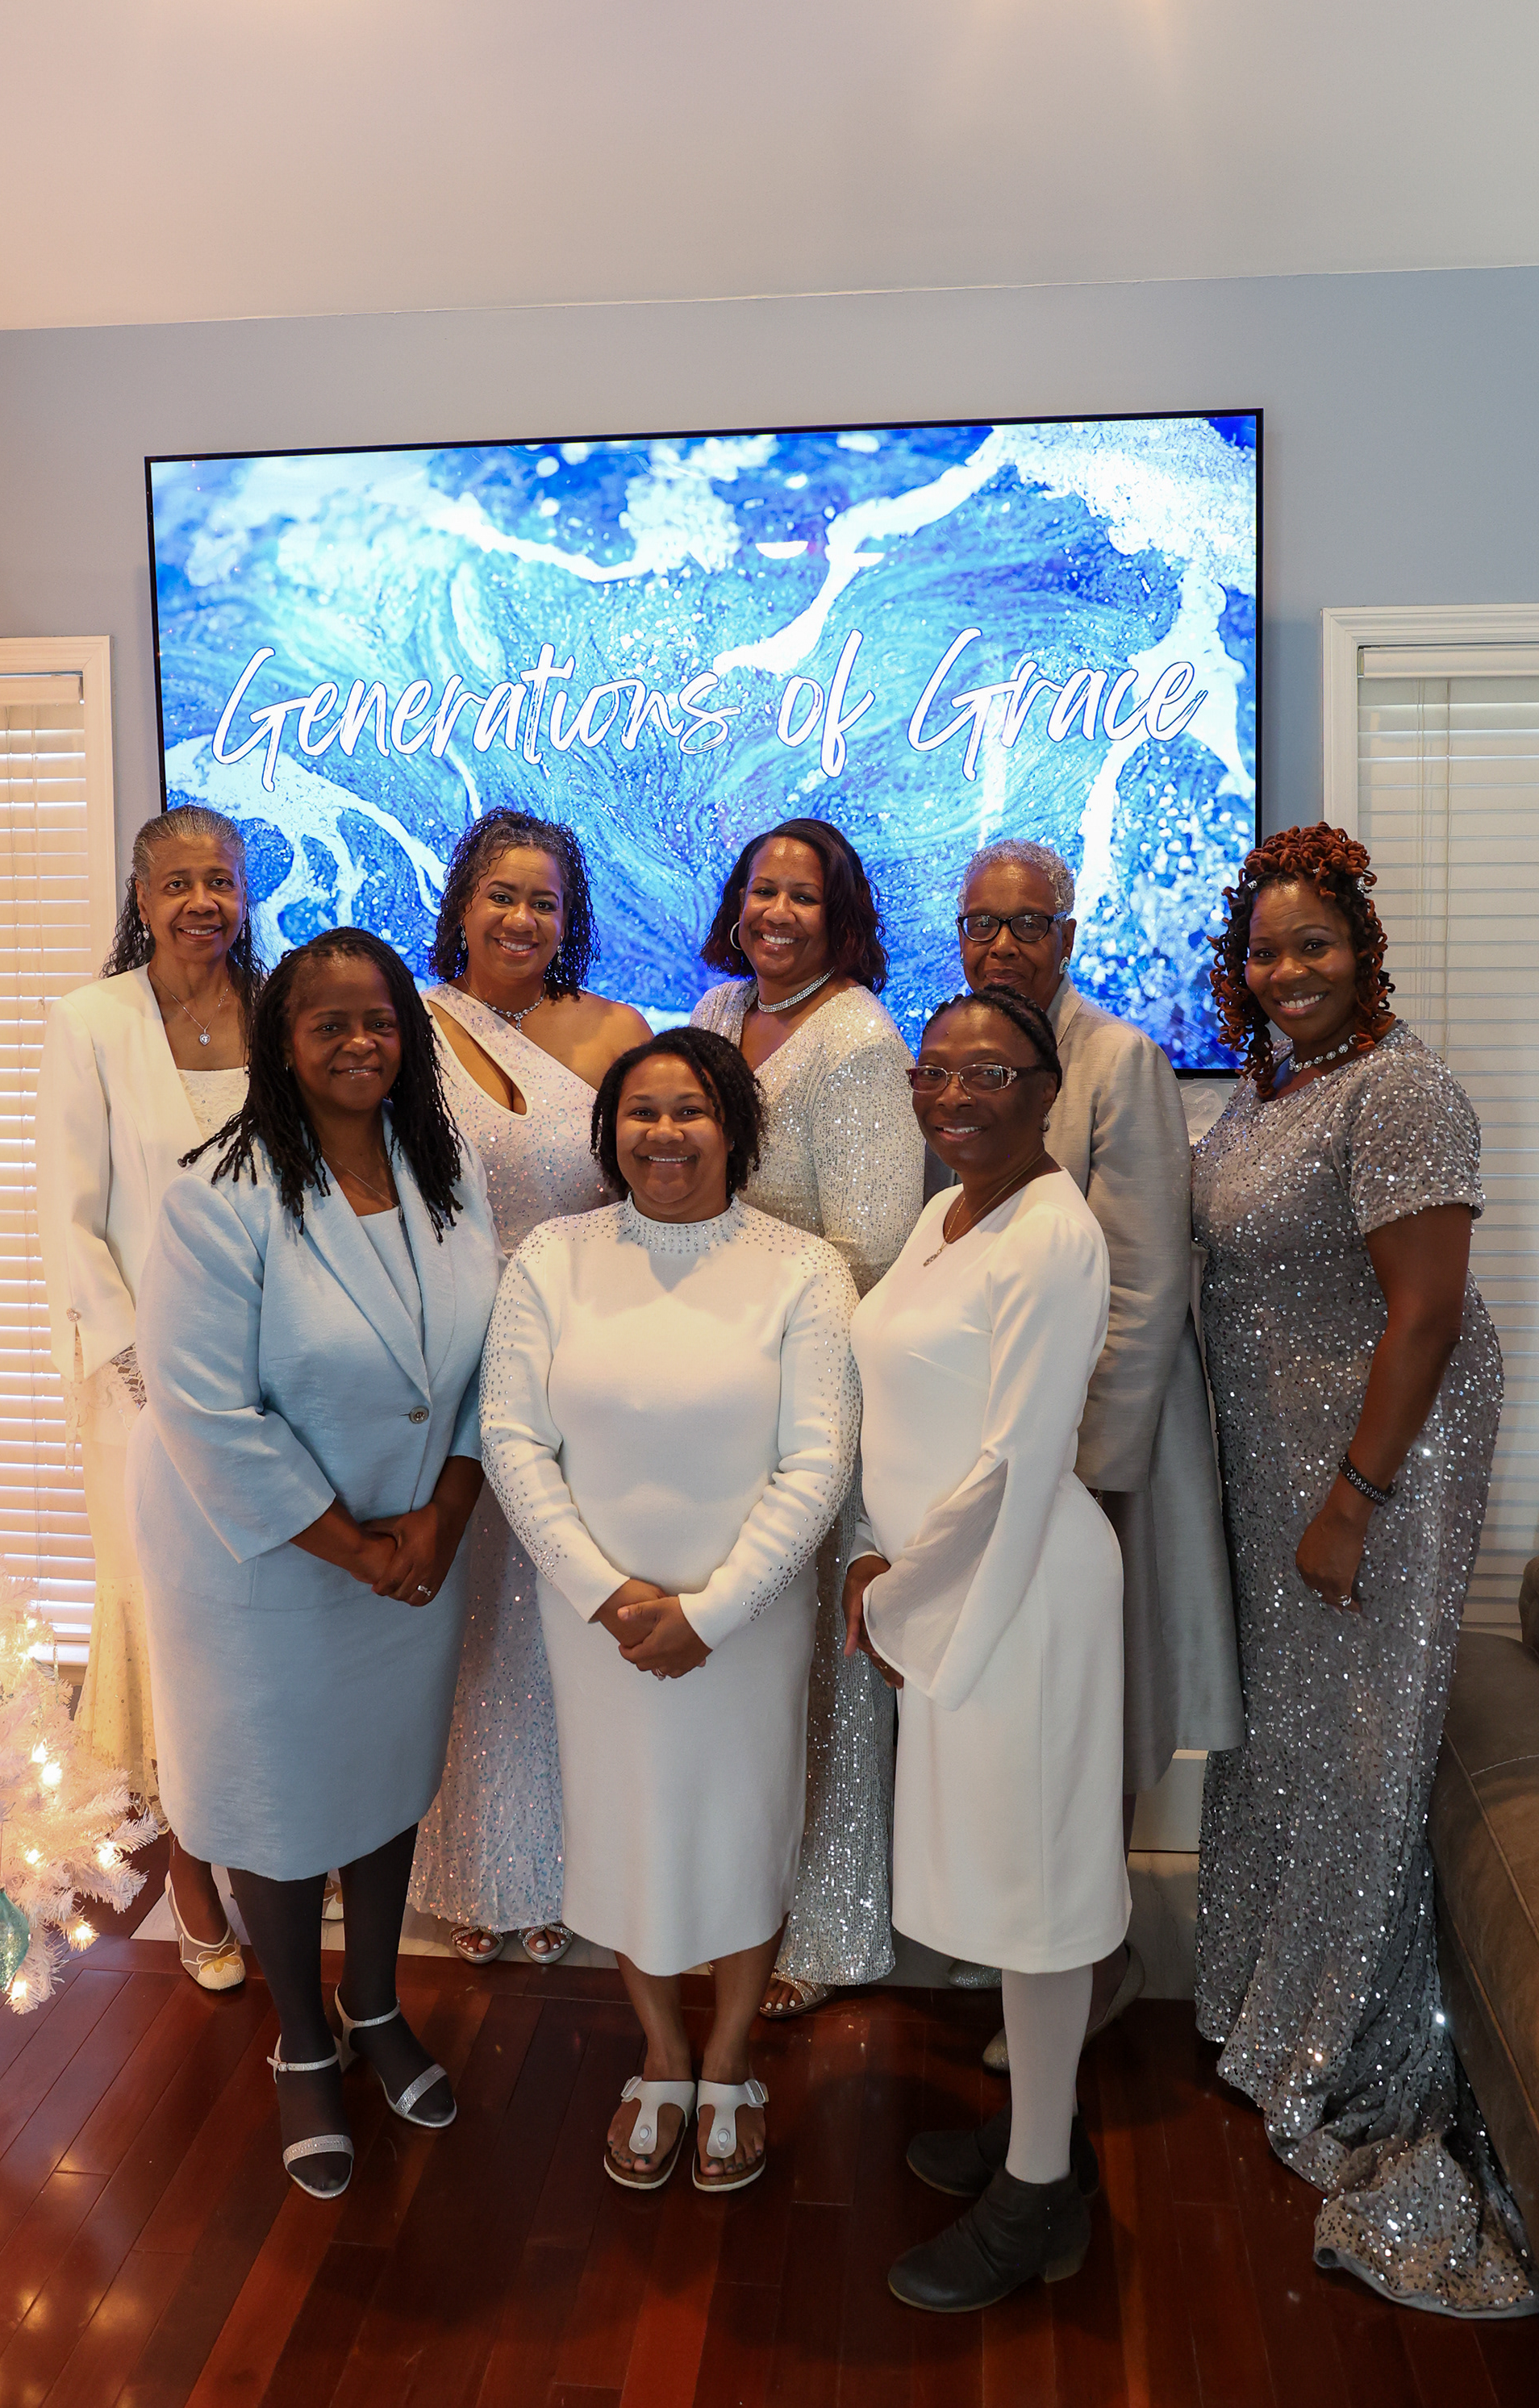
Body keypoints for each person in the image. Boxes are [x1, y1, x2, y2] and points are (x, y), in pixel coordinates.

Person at [1192, 823, 1534, 2318]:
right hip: (1284, 1456)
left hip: (1374, 1465)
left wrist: (1353, 1500)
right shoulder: (1278, 1083)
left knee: (1358, 1750)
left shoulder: (1402, 1091)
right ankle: (1277, 2007)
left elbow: (1427, 1314)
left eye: (1314, 943)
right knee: (1292, 1739)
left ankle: (1341, 2037)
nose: (1289, 969)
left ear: (1363, 948)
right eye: (1266, 948)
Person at [128, 929, 501, 2199]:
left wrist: (445, 1511)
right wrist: (354, 1546)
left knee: (384, 1783)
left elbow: (481, 1360)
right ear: (281, 1043)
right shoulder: (216, 1194)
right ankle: (302, 2037)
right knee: (280, 1805)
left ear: (409, 1034)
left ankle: (377, 2002)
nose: (358, 1042)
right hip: (270, 1567)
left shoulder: (444, 1169)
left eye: (379, 1020)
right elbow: (205, 1411)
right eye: (328, 1022)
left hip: (414, 1548)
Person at [482, 1027, 859, 2192]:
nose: (664, 1132)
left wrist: (714, 1608)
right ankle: (660, 2054)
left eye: (690, 1108)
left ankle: (730, 2060)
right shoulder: (554, 1256)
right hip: (597, 1620)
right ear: (611, 1134)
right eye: (641, 1111)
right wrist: (604, 1593)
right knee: (628, 1827)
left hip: (746, 1622)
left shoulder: (803, 1269)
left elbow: (819, 1459)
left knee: (742, 1829)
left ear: (735, 1126)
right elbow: (510, 1436)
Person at [845, 986, 1127, 2310]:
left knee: (1041, 1894)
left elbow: (1015, 1458)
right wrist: (880, 1560)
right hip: (952, 1590)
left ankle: (1035, 2203)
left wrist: (895, 1596)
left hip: (1016, 1593)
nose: (954, 1095)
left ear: (1046, 1089)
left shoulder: (1053, 1235)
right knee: (1016, 1883)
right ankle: (1042, 2139)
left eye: (990, 1074)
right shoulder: (949, 1210)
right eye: (935, 1072)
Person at [950, 835, 1241, 2052]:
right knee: (1022, 1698)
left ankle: (1100, 1955)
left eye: (1028, 924)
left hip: (1094, 1459)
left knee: (1097, 1704)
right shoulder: (962, 1056)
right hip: (993, 1450)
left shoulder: (1118, 1059)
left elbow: (1147, 1285)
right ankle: (1033, 1936)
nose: (1002, 945)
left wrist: (1087, 1481)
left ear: (1068, 937)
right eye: (982, 923)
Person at [692, 819, 924, 2017]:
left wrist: (779, 1350)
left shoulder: (860, 1038)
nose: (776, 912)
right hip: (723, 1390)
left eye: (803, 896)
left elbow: (871, 1248)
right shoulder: (720, 1011)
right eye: (761, 889)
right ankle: (730, 1897)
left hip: (819, 1392)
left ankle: (821, 1930)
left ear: (841, 919)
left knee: (823, 1672)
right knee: (744, 1663)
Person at [35, 804, 269, 1993]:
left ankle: (279, 1839)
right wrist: (144, 1366)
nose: (201, 902)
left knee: (268, 1621)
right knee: (171, 1631)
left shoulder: (280, 1011)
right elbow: (69, 1219)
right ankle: (191, 1877)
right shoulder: (90, 1023)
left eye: (219, 879)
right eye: (178, 882)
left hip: (276, 1375)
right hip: (141, 1394)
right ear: (141, 898)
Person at [408, 808, 646, 1970]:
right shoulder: (405, 1023)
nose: (520, 917)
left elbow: (648, 1195)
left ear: (570, 917)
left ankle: (569, 1864)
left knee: (563, 1608)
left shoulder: (614, 1032)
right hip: (446, 1352)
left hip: (578, 1353)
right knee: (465, 1618)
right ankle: (468, 1862)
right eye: (500, 894)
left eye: (543, 900)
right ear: (462, 903)